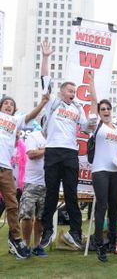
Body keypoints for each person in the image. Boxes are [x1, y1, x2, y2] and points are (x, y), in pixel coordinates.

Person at [39, 41, 90, 249]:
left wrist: (92, 122)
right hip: (52, 151)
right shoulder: (52, 102)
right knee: (51, 193)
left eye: (75, 91)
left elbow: (86, 128)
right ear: (61, 91)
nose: (73, 93)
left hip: (70, 153)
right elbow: (44, 79)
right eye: (70, 90)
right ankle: (47, 231)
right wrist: (46, 57)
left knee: (71, 194)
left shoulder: (78, 107)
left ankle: (75, 233)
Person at [89, 74, 117, 262]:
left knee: (113, 210)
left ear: (111, 111)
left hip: (116, 172)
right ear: (99, 112)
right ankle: (98, 244)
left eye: (108, 108)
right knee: (102, 206)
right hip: (100, 171)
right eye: (102, 109)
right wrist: (91, 82)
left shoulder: (116, 127)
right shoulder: (97, 126)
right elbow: (93, 100)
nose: (105, 111)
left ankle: (111, 241)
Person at [0, 94, 49, 259]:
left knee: (12, 205)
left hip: (5, 169)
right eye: (5, 103)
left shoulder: (16, 121)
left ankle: (16, 239)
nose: (8, 105)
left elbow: (31, 115)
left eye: (11, 104)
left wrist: (43, 102)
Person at [19, 120, 47, 257]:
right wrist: (48, 150)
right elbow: (31, 154)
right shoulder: (34, 136)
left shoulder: (57, 138)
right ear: (43, 123)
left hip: (48, 184)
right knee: (27, 215)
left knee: (41, 217)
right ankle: (25, 245)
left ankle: (37, 246)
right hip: (32, 183)